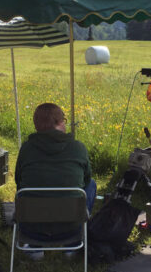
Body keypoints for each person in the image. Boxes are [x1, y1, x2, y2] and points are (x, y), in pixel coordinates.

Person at [15, 103, 96, 256]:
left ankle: (34, 247)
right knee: (91, 185)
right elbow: (86, 180)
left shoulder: (26, 148)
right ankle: (72, 245)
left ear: (36, 125)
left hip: (31, 229)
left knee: (25, 191)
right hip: (71, 229)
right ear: (60, 122)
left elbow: (19, 182)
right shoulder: (78, 147)